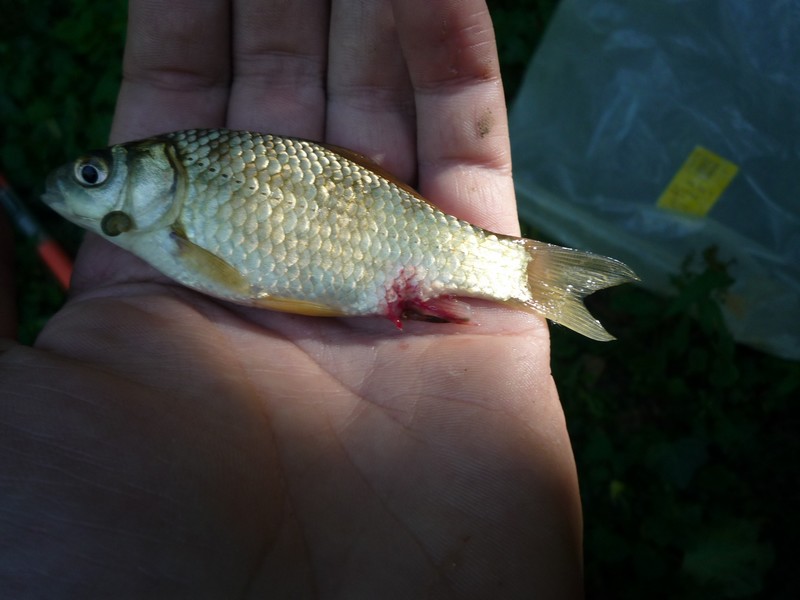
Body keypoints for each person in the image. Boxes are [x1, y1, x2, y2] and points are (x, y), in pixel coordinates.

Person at [0, 0, 583, 596]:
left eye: (93, 176)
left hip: (369, 235)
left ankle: (524, 273)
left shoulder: (172, 226)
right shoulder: (163, 229)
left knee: (503, 265)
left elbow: (227, 276)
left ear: (160, 173)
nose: (78, 185)